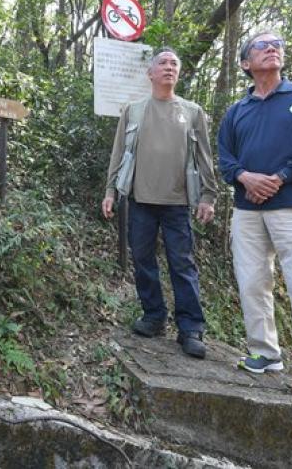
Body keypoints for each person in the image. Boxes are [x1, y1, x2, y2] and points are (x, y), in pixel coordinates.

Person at [218, 31, 292, 404]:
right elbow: (225, 158)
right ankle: (264, 352)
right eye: (261, 45)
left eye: (277, 44)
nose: (272, 48)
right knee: (252, 283)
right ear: (245, 63)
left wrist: (281, 177)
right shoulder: (237, 111)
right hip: (248, 210)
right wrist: (244, 176)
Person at [102, 47, 217, 359]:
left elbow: (204, 156)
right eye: (163, 63)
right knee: (142, 261)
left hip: (178, 202)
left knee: (183, 264)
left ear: (178, 73)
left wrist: (208, 194)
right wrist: (110, 190)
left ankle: (191, 328)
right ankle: (154, 316)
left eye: (174, 64)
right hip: (140, 198)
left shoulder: (192, 112)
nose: (169, 67)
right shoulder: (134, 110)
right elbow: (119, 152)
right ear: (150, 73)